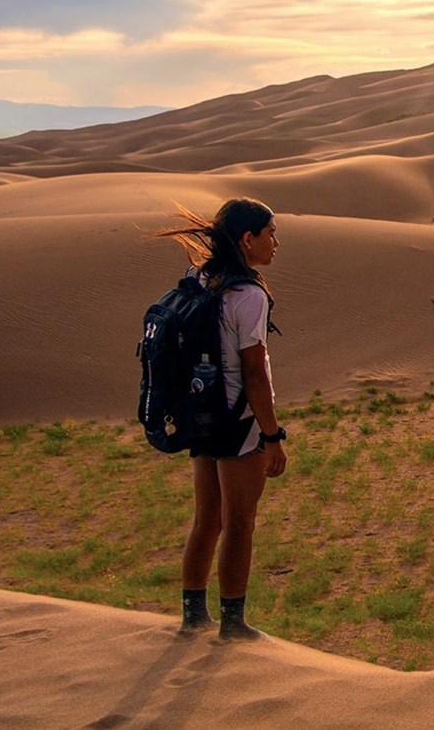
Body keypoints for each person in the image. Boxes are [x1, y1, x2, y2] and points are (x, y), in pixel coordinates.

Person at [157, 197, 288, 640]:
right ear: (247, 239)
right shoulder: (247, 295)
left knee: (206, 519)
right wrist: (272, 435)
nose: (276, 243)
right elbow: (254, 373)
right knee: (240, 522)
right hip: (237, 421)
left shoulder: (201, 278)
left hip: (201, 413)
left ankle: (193, 615)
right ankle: (233, 622)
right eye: (270, 233)